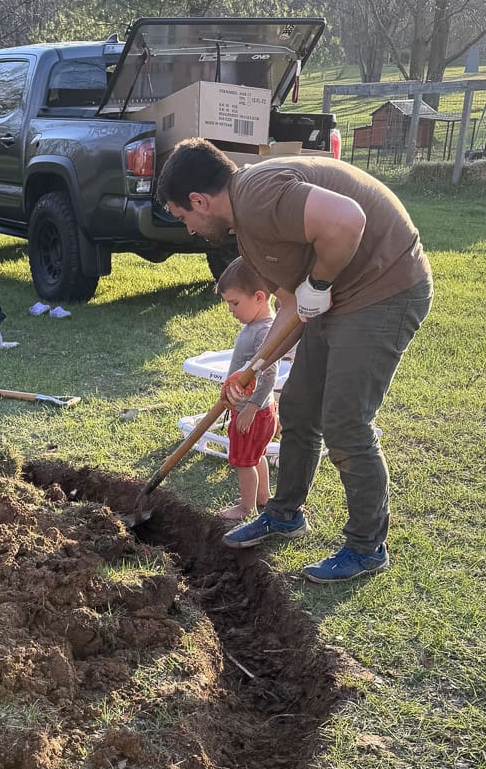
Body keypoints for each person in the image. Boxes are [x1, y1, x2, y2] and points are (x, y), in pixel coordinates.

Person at [157, 140, 433, 582]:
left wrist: (319, 282)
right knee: (299, 408)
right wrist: (257, 366)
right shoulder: (246, 229)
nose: (188, 228)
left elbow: (347, 220)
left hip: (385, 286)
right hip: (337, 297)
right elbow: (291, 305)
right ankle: (285, 514)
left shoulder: (257, 194)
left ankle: (367, 548)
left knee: (346, 422)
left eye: (183, 216)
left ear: (198, 200)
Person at [213, 258, 280, 523]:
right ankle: (262, 497)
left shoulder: (262, 332)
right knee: (257, 455)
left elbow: (269, 372)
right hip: (261, 409)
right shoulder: (257, 326)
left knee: (244, 461)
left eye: (235, 303)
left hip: (252, 411)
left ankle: (246, 507)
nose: (230, 310)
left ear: (259, 297)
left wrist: (250, 407)